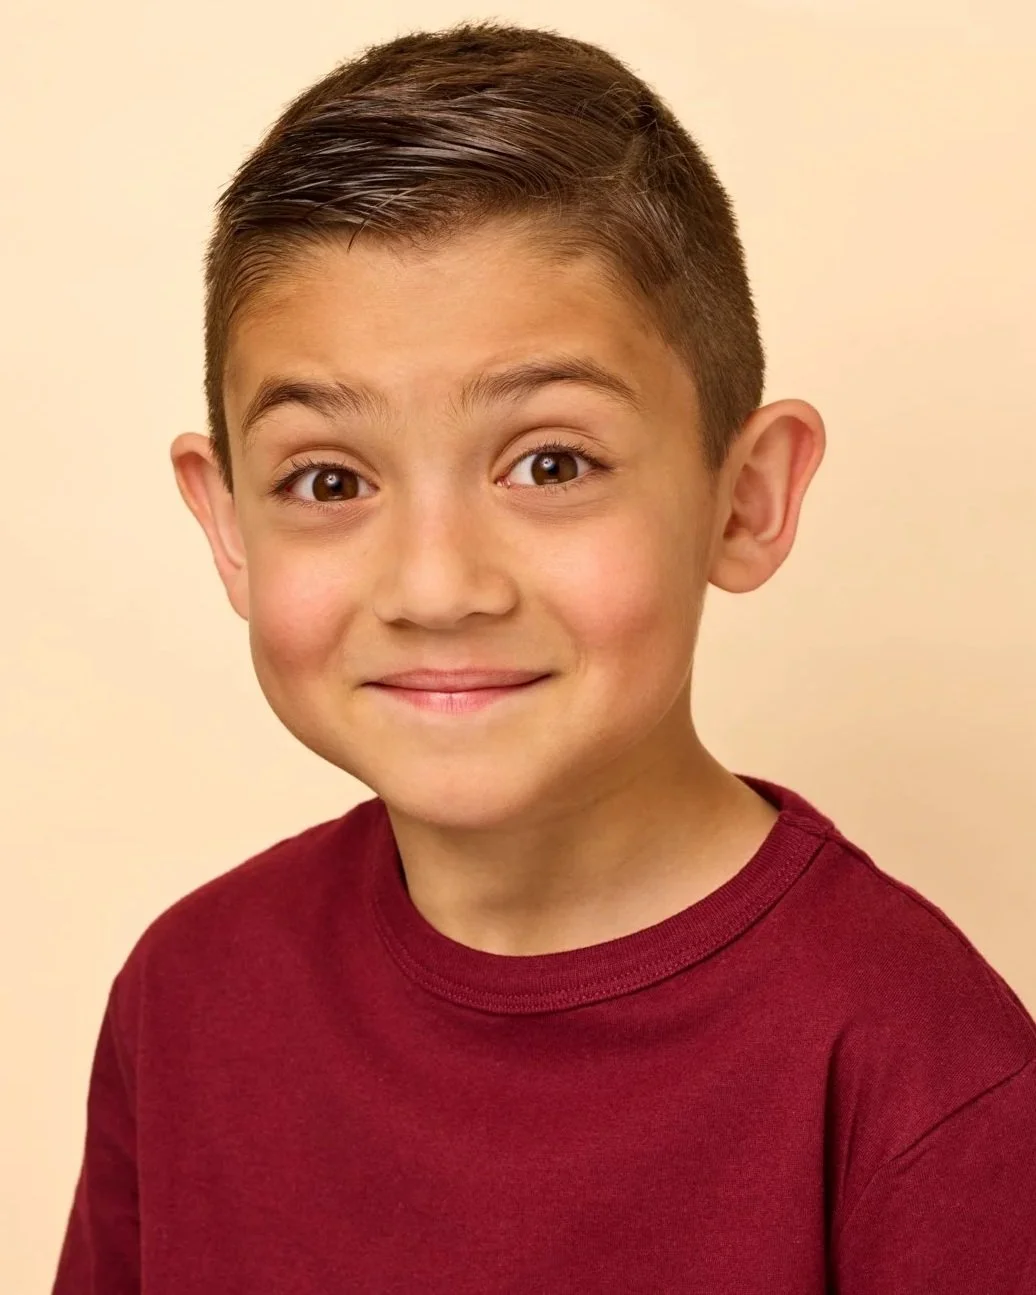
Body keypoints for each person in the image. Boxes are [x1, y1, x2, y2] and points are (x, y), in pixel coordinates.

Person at [52, 20, 1036, 1294]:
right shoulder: (184, 997)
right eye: (329, 477)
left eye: (550, 463)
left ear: (742, 500)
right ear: (230, 527)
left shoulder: (929, 1077)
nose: (436, 584)